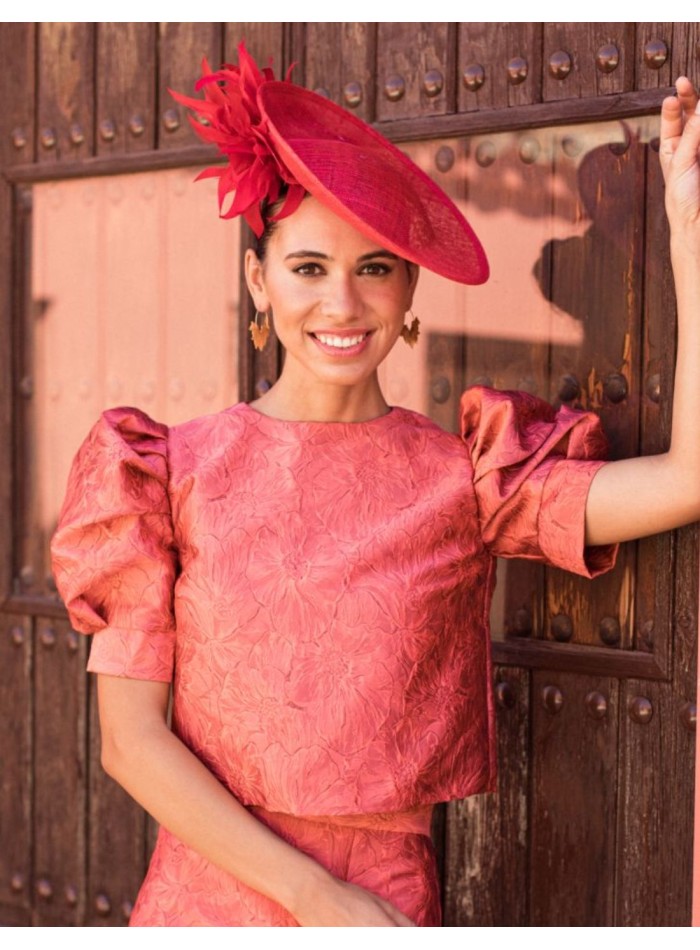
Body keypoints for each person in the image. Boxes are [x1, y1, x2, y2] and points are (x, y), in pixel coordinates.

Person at [50, 44, 700, 927]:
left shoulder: (466, 479)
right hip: (209, 901)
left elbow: (687, 478)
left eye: (375, 269)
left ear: (409, 289)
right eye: (308, 268)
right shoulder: (166, 473)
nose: (342, 305)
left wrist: (690, 232)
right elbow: (130, 741)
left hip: (384, 906)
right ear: (259, 282)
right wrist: (316, 896)